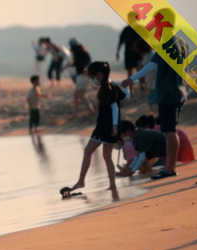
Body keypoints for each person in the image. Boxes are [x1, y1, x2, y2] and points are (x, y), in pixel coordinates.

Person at [122, 51, 185, 179]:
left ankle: (170, 169)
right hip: (177, 91)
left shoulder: (167, 44)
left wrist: (131, 79)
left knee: (169, 131)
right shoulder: (181, 43)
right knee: (170, 131)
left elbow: (152, 64)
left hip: (168, 93)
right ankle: (169, 167)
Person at [70, 61, 129, 192]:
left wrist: (113, 125)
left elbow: (114, 107)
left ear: (100, 75)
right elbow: (126, 97)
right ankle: (112, 185)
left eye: (93, 76)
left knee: (87, 151)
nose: (93, 80)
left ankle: (81, 182)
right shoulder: (112, 86)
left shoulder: (108, 88)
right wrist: (126, 86)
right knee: (107, 156)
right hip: (111, 126)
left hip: (105, 127)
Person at [65, 38, 94, 118]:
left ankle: (90, 110)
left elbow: (78, 65)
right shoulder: (84, 53)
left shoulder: (79, 54)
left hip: (82, 76)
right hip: (84, 76)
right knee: (77, 95)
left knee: (80, 95)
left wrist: (70, 65)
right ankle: (76, 113)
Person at [116, 26, 145, 95]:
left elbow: (144, 39)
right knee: (130, 73)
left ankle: (142, 85)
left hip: (137, 53)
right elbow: (121, 41)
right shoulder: (126, 30)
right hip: (128, 54)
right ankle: (131, 91)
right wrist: (117, 52)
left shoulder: (139, 28)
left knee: (140, 71)